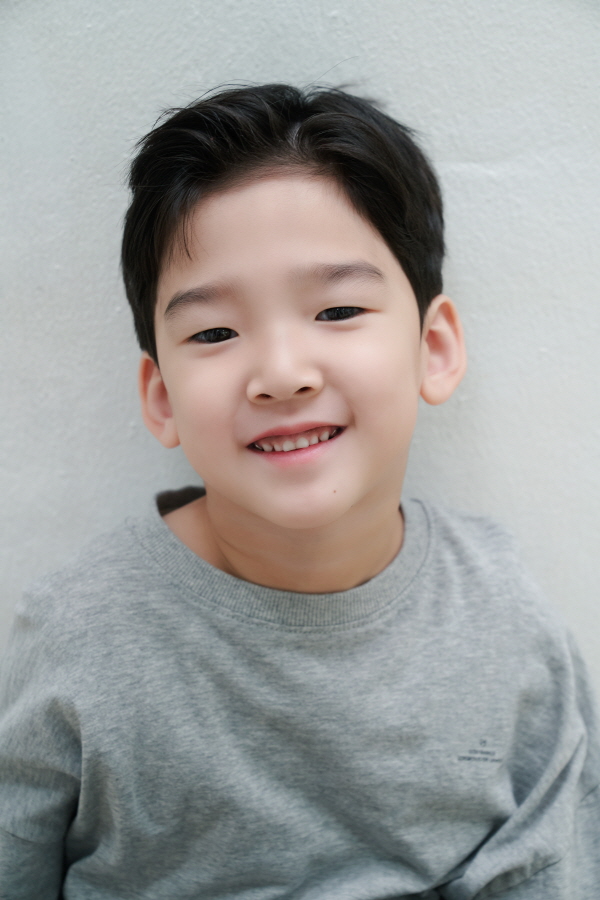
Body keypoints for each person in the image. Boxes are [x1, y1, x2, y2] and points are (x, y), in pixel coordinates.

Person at [0, 83, 598, 899]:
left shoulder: (507, 624)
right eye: (215, 331)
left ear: (433, 349)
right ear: (162, 397)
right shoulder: (79, 636)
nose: (281, 374)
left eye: (338, 309)